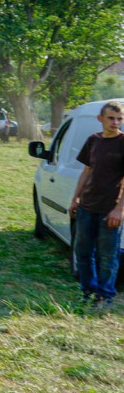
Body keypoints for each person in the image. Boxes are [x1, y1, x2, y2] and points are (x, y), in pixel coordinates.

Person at [68, 100, 124, 312]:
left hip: (110, 210)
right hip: (87, 207)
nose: (115, 122)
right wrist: (75, 198)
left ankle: (105, 296)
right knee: (83, 252)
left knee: (107, 256)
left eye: (119, 119)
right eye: (111, 118)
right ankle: (88, 291)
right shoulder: (93, 140)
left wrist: (119, 209)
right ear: (100, 119)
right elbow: (86, 171)